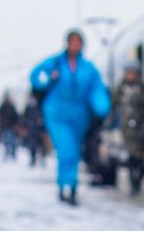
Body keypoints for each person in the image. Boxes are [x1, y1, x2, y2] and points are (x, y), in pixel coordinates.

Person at [29, 30, 111, 205]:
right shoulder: (56, 63)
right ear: (67, 43)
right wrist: (48, 80)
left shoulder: (88, 68)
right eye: (72, 42)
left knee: (74, 151)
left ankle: (70, 187)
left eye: (78, 42)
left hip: (79, 116)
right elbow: (36, 76)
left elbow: (96, 89)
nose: (75, 45)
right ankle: (65, 186)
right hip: (57, 113)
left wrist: (102, 106)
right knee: (66, 150)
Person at [108, 61, 144, 196]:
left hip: (141, 126)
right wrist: (109, 122)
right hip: (127, 127)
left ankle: (138, 181)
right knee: (131, 155)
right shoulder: (120, 89)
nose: (131, 75)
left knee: (140, 156)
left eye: (133, 73)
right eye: (129, 73)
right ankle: (133, 184)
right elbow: (113, 107)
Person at [21, 95, 47, 168]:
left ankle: (43, 158)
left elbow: (43, 117)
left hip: (38, 130)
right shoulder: (28, 108)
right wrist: (24, 126)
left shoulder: (39, 107)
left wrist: (43, 127)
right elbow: (24, 118)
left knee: (41, 145)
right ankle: (33, 159)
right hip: (31, 130)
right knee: (33, 146)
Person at [0, 92, 20, 160]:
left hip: (11, 127)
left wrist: (15, 125)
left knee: (12, 141)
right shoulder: (2, 107)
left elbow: (15, 117)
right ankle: (7, 154)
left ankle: (12, 154)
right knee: (6, 141)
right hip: (5, 127)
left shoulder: (11, 107)